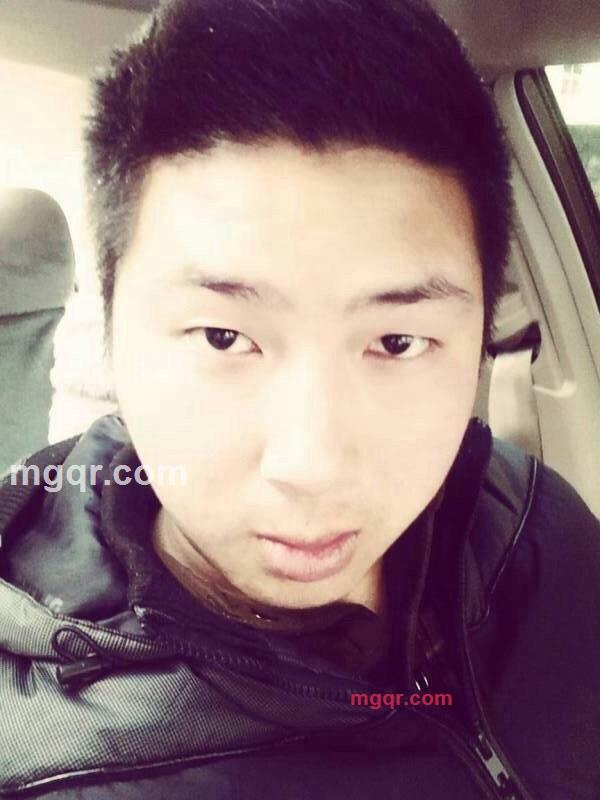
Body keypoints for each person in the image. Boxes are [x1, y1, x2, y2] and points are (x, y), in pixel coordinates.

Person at [1, 1, 599, 798]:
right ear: (112, 334)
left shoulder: (540, 528)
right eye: (223, 337)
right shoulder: (39, 759)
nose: (311, 465)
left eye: (397, 342)